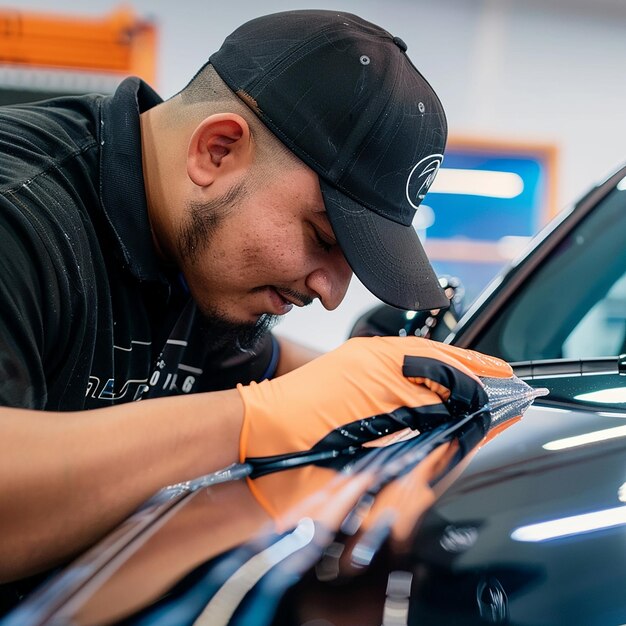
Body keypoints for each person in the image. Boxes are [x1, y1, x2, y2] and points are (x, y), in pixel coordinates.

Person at [0, 9, 513, 612]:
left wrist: (391, 393)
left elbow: (269, 368)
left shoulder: (197, 251)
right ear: (217, 151)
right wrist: (254, 420)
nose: (331, 292)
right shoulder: (21, 216)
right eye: (324, 238)